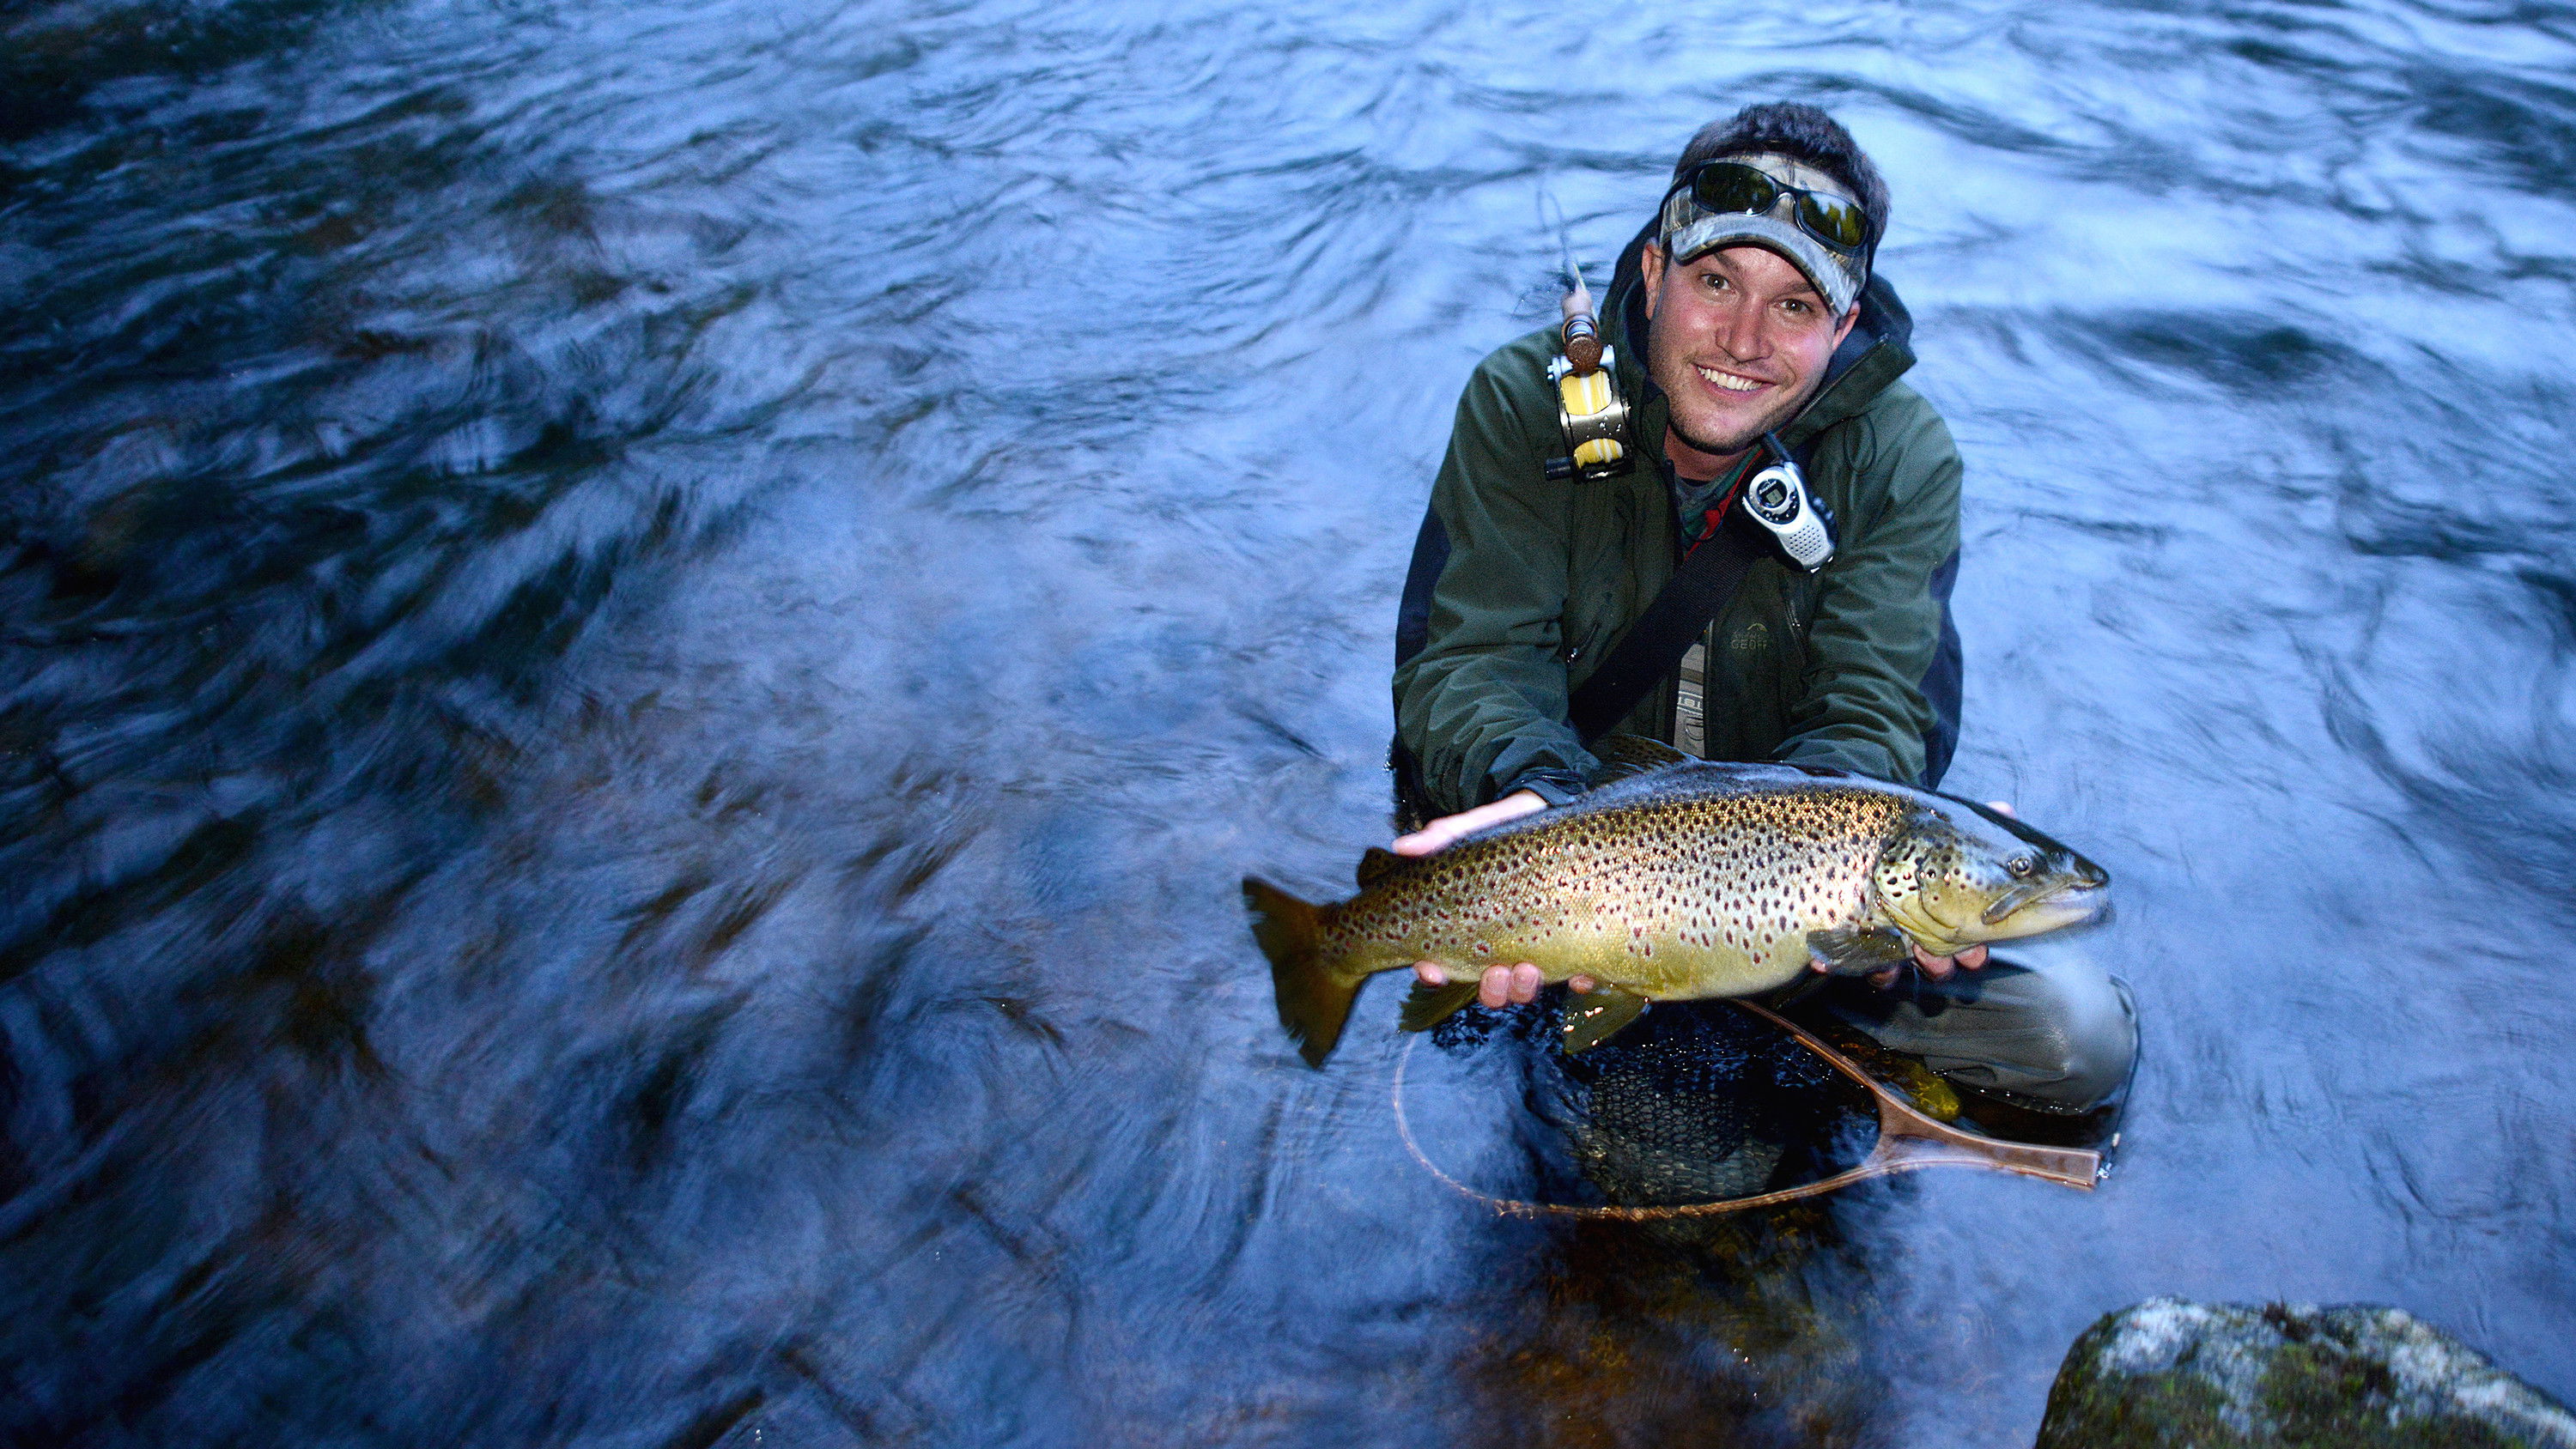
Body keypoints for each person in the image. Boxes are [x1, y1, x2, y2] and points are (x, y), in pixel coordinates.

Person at [1388, 102, 2133, 1116]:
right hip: (1578, 882)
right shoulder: (1530, 402)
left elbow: (1877, 706)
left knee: (2077, 1042)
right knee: (1664, 1146)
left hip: (1796, 914)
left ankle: (1804, 1041)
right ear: (1655, 272)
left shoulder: (1900, 458)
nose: (1743, 340)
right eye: (1715, 282)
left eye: (1794, 305)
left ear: (1844, 324)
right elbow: (1471, 662)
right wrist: (1526, 799)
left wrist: (1880, 882)